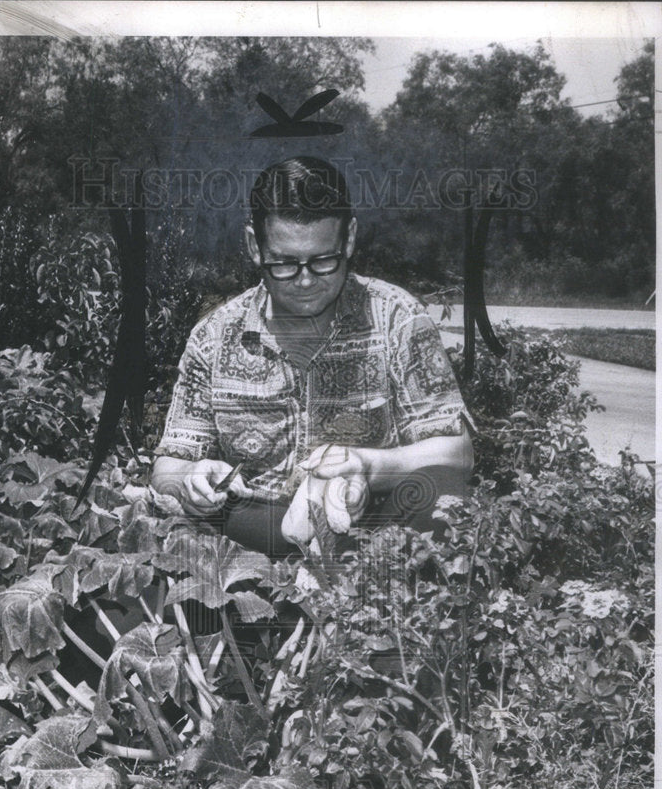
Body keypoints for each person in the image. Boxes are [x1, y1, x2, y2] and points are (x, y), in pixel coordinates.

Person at [151, 156, 474, 556]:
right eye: (284, 264)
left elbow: (457, 452)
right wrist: (192, 477)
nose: (305, 282)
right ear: (255, 245)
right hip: (252, 531)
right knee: (174, 529)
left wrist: (367, 466)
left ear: (349, 238)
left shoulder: (397, 317)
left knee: (442, 495)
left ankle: (365, 595)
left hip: (366, 529)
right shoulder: (214, 336)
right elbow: (166, 469)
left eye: (324, 261)